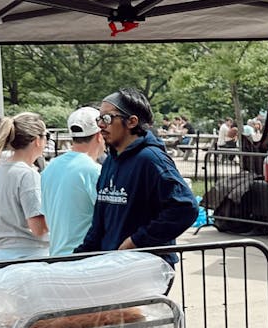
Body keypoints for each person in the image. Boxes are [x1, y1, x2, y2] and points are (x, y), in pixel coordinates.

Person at [76, 88, 198, 265]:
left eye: (107, 118)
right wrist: (76, 258)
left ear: (132, 121)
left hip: (146, 268)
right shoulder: (111, 161)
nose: (101, 125)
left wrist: (137, 241)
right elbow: (99, 223)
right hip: (112, 263)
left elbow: (185, 207)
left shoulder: (151, 160)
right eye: (99, 118)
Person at [0, 112, 50, 262]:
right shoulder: (28, 175)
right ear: (37, 140)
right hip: (24, 258)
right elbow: (38, 228)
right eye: (46, 136)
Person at [41, 107, 103, 256]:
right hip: (84, 259)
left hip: (56, 256)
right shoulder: (94, 171)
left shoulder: (49, 168)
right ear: (99, 135)